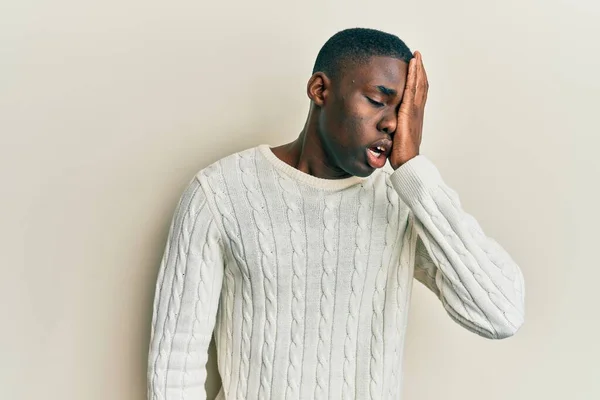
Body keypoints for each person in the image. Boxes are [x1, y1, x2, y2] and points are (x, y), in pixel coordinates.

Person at [146, 27, 525, 400]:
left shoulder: (403, 201)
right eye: (378, 100)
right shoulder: (220, 192)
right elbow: (176, 364)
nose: (392, 123)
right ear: (320, 90)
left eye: (404, 111)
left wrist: (412, 168)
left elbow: (500, 313)